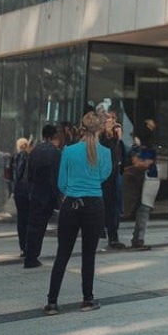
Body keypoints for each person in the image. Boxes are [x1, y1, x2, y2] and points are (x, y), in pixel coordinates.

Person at [44, 112, 111, 316]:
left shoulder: (69, 150)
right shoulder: (105, 152)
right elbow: (103, 176)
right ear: (99, 130)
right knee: (88, 255)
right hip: (94, 205)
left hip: (71, 204)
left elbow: (61, 183)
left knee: (62, 254)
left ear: (81, 128)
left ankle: (52, 303)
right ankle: (87, 299)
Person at [24, 124, 62, 268]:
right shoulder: (56, 153)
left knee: (33, 225)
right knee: (41, 227)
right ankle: (33, 257)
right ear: (54, 137)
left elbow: (30, 174)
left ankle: (30, 255)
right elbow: (57, 177)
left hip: (35, 192)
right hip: (48, 194)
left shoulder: (35, 151)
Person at [99, 110, 127, 250]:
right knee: (105, 206)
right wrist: (115, 139)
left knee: (114, 207)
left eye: (112, 121)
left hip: (115, 176)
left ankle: (113, 236)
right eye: (108, 122)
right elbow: (106, 151)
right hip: (104, 177)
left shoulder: (117, 141)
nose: (110, 125)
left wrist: (118, 139)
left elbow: (122, 158)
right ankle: (105, 232)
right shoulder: (101, 139)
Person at [126, 142, 159, 249]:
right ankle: (137, 239)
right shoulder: (143, 150)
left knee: (143, 209)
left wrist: (135, 159)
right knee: (143, 210)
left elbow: (140, 164)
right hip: (147, 180)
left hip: (149, 179)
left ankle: (138, 239)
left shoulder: (145, 150)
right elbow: (139, 164)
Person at [11, 137, 31, 257]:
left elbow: (15, 174)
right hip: (27, 191)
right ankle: (26, 246)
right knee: (28, 218)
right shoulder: (27, 156)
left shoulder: (16, 156)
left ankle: (22, 246)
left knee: (21, 219)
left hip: (18, 190)